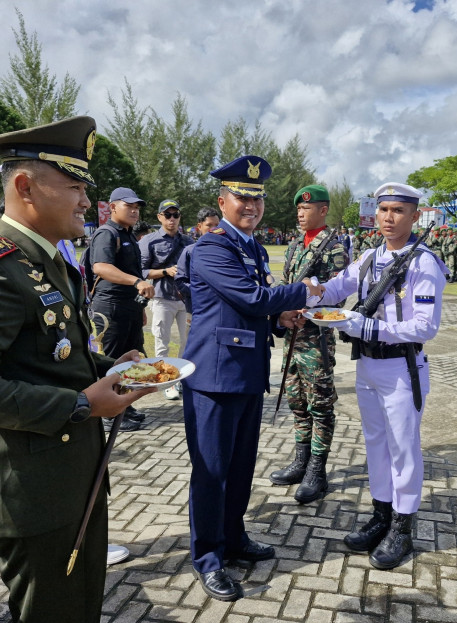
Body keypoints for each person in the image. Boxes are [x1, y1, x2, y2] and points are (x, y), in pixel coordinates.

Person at [0, 116, 155, 623]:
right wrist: (79, 404)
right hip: (31, 491)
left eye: (86, 188)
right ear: (26, 186)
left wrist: (111, 366)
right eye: (74, 185)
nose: (85, 201)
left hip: (68, 475)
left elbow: (54, 350)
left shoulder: (47, 259)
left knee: (76, 605)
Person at [181, 155, 322, 601]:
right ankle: (208, 558)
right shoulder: (212, 247)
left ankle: (234, 538)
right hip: (213, 377)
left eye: (257, 199)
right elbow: (249, 295)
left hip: (246, 374)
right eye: (242, 197)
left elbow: (250, 311)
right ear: (223, 200)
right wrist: (305, 290)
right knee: (211, 472)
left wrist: (281, 321)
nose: (251, 206)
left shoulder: (253, 248)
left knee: (239, 469)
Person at [316, 182, 445, 570]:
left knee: (403, 448)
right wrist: (308, 294)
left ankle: (403, 528)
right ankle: (381, 515)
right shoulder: (371, 257)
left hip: (402, 368)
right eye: (384, 210)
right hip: (368, 365)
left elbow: (425, 326)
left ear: (414, 216)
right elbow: (337, 286)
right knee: (375, 444)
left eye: (398, 211)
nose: (389, 218)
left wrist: (367, 328)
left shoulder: (423, 263)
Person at [269, 184, 346, 503]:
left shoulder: (334, 246)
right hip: (293, 336)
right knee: (297, 401)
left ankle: (318, 470)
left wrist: (309, 308)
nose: (300, 213)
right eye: (298, 209)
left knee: (321, 405)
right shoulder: (295, 244)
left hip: (317, 340)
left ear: (323, 210)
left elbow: (339, 292)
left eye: (307, 208)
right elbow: (288, 283)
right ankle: (301, 461)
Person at [87, 186, 155, 431]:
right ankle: (107, 413)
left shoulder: (128, 235)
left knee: (131, 357)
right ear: (113, 207)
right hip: (111, 307)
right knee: (113, 361)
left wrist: (141, 308)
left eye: (137, 207)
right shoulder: (107, 233)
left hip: (130, 307)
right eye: (130, 206)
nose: (135, 211)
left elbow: (134, 272)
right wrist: (137, 282)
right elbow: (101, 268)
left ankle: (123, 406)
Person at [139, 199, 193, 400]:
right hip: (162, 297)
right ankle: (166, 382)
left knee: (188, 342)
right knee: (162, 341)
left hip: (185, 299)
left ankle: (184, 380)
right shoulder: (149, 241)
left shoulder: (188, 241)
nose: (172, 219)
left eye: (175, 215)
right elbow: (142, 271)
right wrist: (164, 271)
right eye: (167, 215)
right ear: (159, 217)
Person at [174, 207, 221, 314]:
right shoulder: (190, 252)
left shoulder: (228, 251)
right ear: (199, 226)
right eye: (209, 225)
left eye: (217, 225)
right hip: (198, 311)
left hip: (221, 312)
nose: (214, 229)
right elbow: (180, 282)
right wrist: (204, 292)